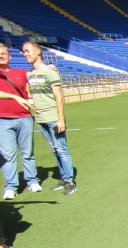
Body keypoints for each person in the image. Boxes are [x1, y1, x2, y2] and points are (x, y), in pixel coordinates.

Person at [21, 41, 76, 195]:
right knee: (54, 149)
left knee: (61, 149)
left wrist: (61, 119)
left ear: (38, 52)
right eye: (23, 51)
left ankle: (70, 181)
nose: (25, 54)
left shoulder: (50, 72)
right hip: (40, 118)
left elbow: (59, 96)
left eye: (27, 51)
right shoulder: (30, 74)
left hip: (53, 117)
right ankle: (63, 177)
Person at [0, 43, 42, 201]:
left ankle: (32, 181)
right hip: (3, 120)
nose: (1, 56)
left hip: (24, 118)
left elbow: (39, 74)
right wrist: (14, 97)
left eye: (4, 53)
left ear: (9, 56)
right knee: (8, 156)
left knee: (28, 153)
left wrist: (50, 68)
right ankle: (11, 187)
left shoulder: (22, 73)